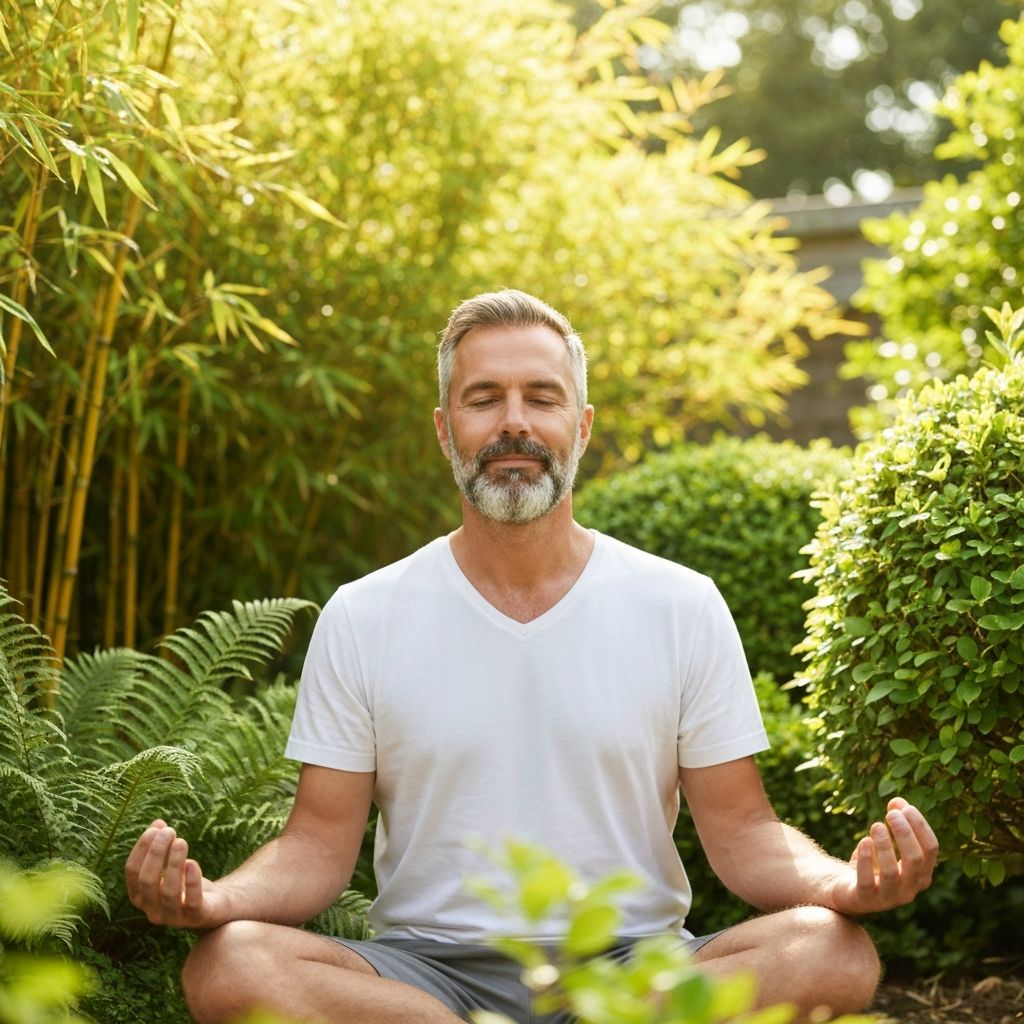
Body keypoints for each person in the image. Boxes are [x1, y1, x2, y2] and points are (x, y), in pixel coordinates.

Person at [125, 289, 939, 1024]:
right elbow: (314, 849)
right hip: (423, 982)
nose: (514, 422)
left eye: (541, 398)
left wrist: (842, 884)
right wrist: (219, 900)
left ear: (580, 427)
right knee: (230, 965)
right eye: (484, 399)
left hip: (634, 974)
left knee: (832, 951)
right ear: (447, 430)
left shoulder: (680, 604)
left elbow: (745, 831)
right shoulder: (365, 614)